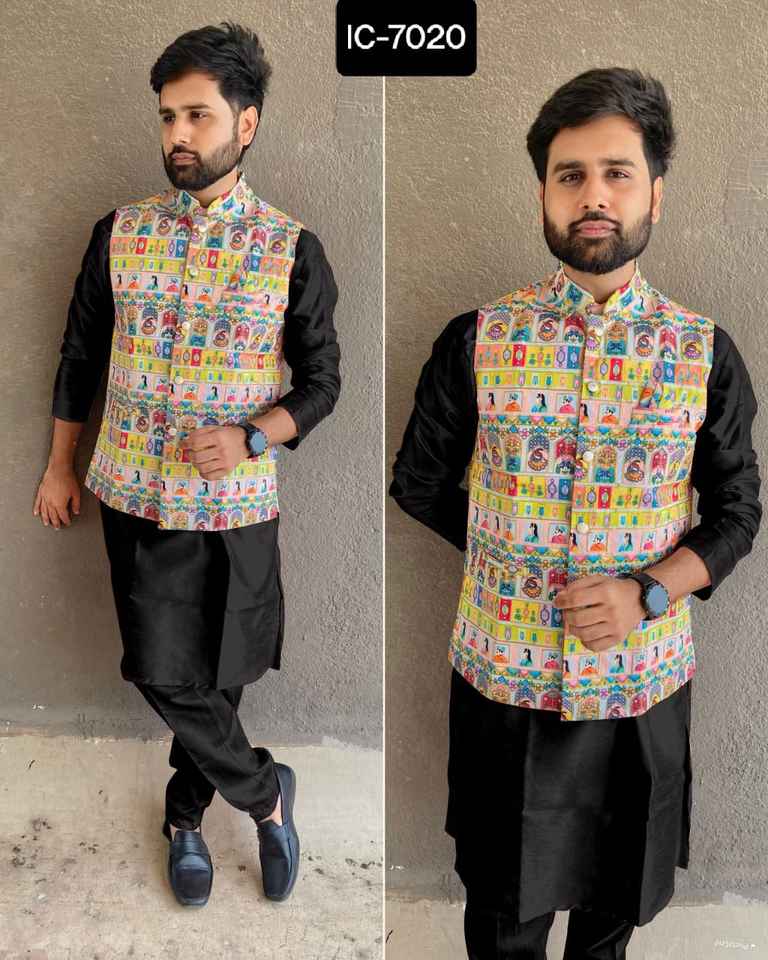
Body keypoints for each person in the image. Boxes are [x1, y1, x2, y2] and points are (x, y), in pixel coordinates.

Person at [390, 67, 761, 959]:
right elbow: (419, 482)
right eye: (570, 175)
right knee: (503, 918)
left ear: (654, 192)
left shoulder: (703, 352)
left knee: (610, 917)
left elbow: (738, 510)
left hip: (641, 687)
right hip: (504, 683)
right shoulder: (477, 339)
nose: (593, 196)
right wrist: (510, 558)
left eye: (617, 173)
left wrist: (650, 591)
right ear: (544, 195)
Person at [34, 21, 340, 908]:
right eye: (168, 116)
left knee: (221, 678)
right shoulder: (119, 232)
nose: (178, 134)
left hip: (236, 506)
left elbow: (323, 382)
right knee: (161, 670)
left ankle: (184, 819)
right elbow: (79, 356)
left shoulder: (291, 248)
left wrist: (254, 435)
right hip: (133, 494)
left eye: (197, 115)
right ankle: (267, 793)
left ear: (245, 123)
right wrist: (60, 466)